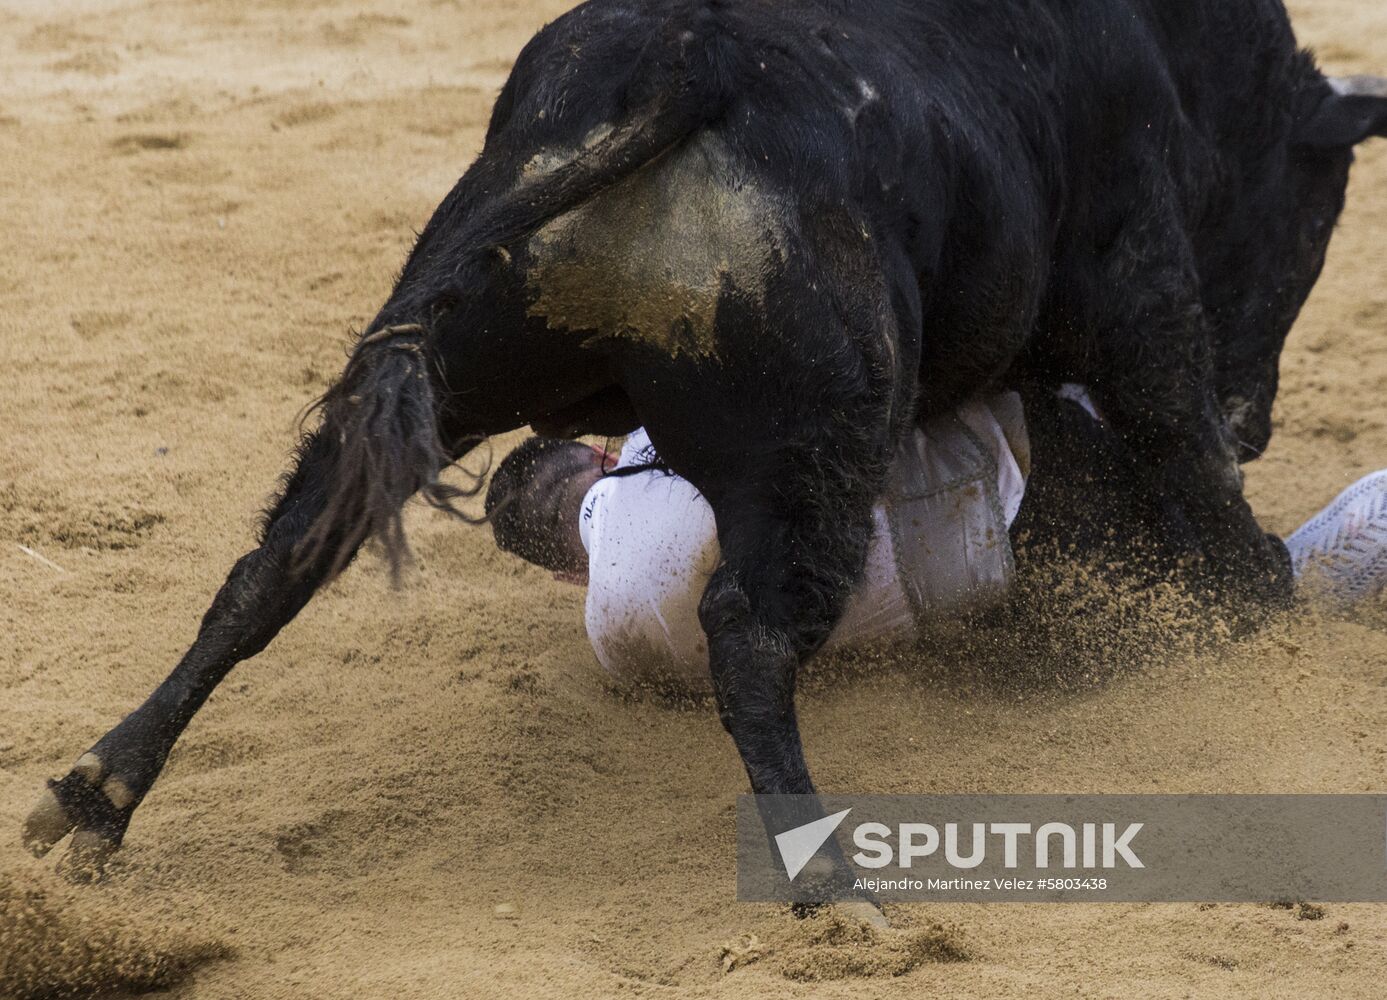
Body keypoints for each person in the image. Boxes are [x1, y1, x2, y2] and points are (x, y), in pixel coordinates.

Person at [485, 386, 1387, 690]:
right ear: (599, 453)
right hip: (1023, 488)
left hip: (984, 615)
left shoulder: (615, 646)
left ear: (567, 577)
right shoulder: (663, 430)